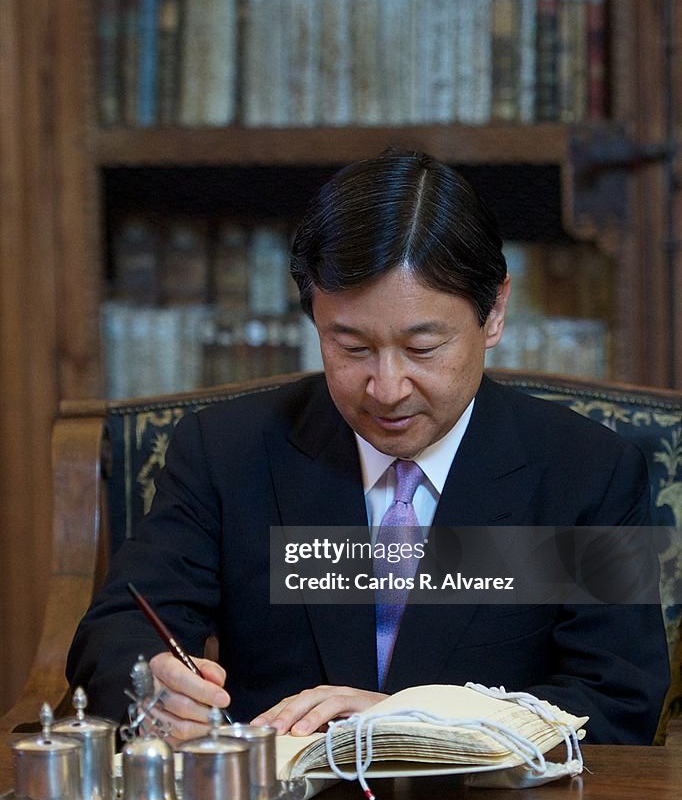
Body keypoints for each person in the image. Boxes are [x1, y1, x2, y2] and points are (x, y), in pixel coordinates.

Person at [66, 149, 670, 745]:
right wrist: (156, 690)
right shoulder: (228, 452)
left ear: (494, 314)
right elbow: (120, 631)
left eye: (422, 348)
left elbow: (617, 700)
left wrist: (422, 722)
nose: (386, 388)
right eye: (351, 348)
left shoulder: (585, 471)